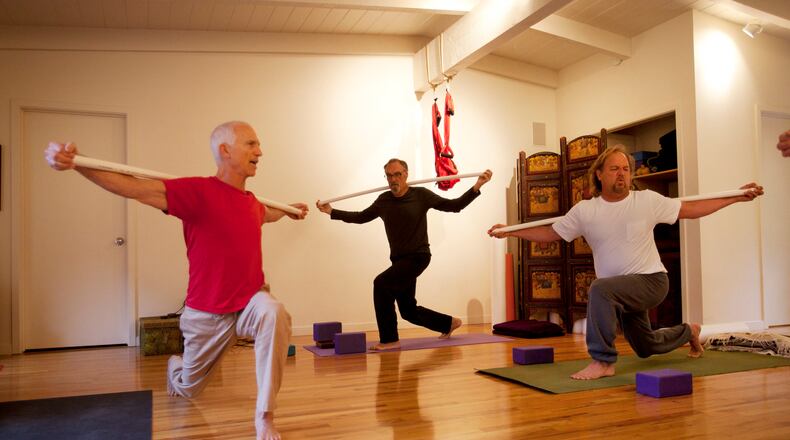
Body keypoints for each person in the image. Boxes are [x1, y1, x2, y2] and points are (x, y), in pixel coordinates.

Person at [45, 121, 307, 440]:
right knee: (190, 389)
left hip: (251, 300)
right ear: (225, 150)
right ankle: (176, 368)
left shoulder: (252, 202)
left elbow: (267, 214)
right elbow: (133, 186)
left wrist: (288, 211)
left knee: (274, 312)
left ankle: (264, 416)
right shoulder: (197, 192)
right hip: (207, 314)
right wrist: (79, 162)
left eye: (258, 145)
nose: (260, 151)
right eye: (251, 144)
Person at [488, 145, 763, 380]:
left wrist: (736, 197)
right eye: (614, 168)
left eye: (626, 169)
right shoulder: (586, 210)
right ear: (599, 174)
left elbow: (691, 210)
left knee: (600, 288)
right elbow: (549, 233)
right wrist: (510, 231)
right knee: (645, 346)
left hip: (651, 281)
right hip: (623, 293)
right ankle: (689, 331)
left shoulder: (647, 201)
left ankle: (603, 361)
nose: (622, 174)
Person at [316, 159, 492, 350]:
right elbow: (360, 218)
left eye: (397, 174)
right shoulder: (384, 200)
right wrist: (331, 211)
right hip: (398, 260)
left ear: (406, 174)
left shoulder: (421, 195)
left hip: (418, 257)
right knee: (408, 311)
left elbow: (454, 206)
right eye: (389, 175)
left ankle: (389, 339)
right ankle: (448, 323)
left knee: (381, 283)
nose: (393, 179)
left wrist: (477, 186)